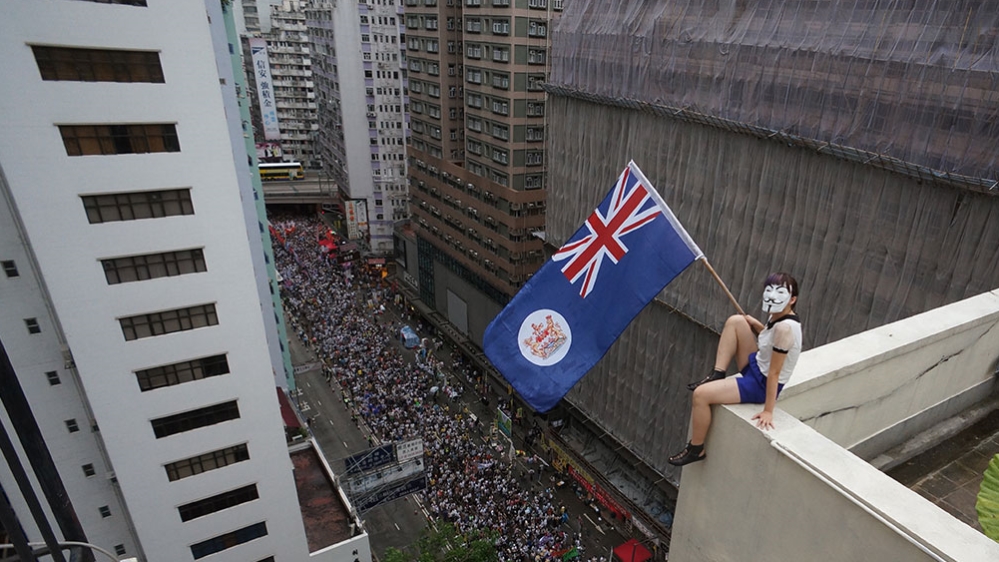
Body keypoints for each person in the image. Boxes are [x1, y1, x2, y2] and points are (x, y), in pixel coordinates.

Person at [668, 272, 802, 466]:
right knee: (736, 321)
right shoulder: (778, 316)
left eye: (780, 292)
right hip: (756, 366)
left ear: (792, 299)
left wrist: (768, 411)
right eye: (769, 290)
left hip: (761, 385)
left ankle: (696, 449)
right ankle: (718, 373)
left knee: (701, 395)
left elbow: (774, 373)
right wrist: (757, 325)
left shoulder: (785, 328)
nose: (772, 296)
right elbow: (768, 342)